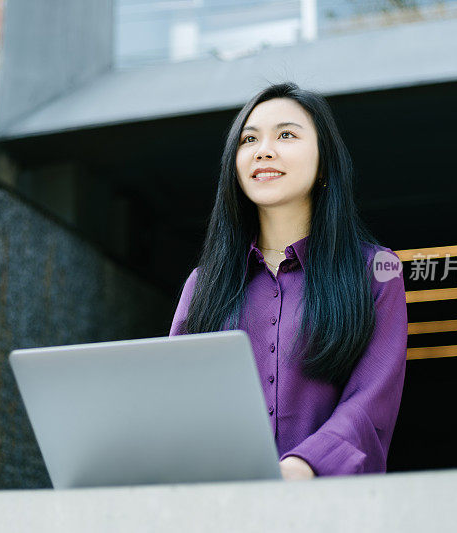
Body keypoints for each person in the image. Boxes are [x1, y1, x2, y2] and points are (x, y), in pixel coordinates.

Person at [169, 82, 408, 481]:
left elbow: (371, 401)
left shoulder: (378, 272)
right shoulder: (202, 285)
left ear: (324, 163)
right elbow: (174, 399)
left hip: (329, 508)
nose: (264, 149)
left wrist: (303, 465)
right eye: (249, 139)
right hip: (223, 506)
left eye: (286, 134)